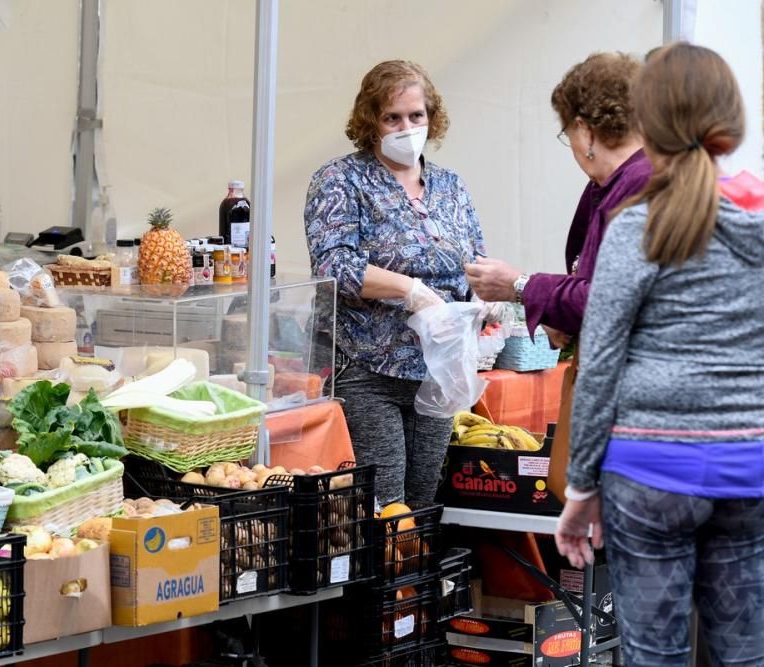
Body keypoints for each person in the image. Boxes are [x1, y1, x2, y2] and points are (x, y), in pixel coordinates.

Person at [555, 43, 764, 667]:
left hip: (647, 470)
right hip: (749, 463)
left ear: (647, 122)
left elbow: (601, 367)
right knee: (745, 656)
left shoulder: (635, 227)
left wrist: (581, 487)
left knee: (653, 657)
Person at [303, 60, 486, 506]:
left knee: (422, 502)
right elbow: (334, 263)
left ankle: (415, 577)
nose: (407, 127)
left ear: (431, 117)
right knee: (385, 507)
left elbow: (474, 256)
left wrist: (486, 296)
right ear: (371, 121)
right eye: (393, 117)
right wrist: (410, 290)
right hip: (367, 370)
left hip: (437, 371)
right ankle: (384, 578)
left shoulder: (450, 186)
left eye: (416, 116)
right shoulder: (340, 180)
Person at [464, 52, 650, 349]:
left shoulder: (638, 184)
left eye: (568, 134)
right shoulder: (615, 183)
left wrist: (520, 285)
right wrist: (561, 315)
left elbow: (608, 301)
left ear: (586, 131)